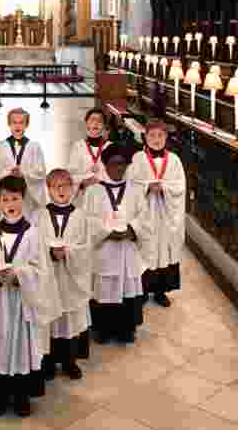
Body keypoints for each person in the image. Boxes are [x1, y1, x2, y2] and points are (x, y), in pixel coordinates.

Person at [0, 175, 60, 418]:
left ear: (24, 200)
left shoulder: (33, 234)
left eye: (15, 198)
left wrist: (20, 275)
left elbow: (42, 270)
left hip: (23, 305)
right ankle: (0, 394)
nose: (10, 203)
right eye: (5, 199)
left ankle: (21, 395)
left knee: (21, 348)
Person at [87, 144, 149, 344]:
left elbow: (144, 217)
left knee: (126, 290)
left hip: (127, 249)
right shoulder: (94, 191)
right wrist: (106, 232)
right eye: (113, 164)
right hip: (105, 250)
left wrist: (132, 229)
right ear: (105, 165)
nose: (118, 168)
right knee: (104, 289)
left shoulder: (135, 190)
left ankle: (126, 329)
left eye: (123, 163)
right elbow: (87, 220)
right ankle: (103, 330)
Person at [37, 169, 91, 380]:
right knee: (50, 318)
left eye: (66, 185)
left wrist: (68, 252)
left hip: (70, 278)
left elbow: (85, 247)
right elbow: (33, 244)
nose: (61, 190)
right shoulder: (40, 215)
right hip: (48, 277)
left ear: (73, 188)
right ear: (48, 190)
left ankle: (69, 360)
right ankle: (48, 362)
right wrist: (49, 252)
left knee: (68, 320)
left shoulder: (80, 216)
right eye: (56, 186)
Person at [127, 120, 186, 307]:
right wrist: (146, 186)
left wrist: (165, 188)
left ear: (166, 137)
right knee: (145, 249)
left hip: (166, 214)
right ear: (144, 137)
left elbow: (180, 186)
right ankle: (143, 290)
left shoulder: (174, 160)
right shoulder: (138, 158)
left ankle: (160, 292)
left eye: (160, 135)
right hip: (146, 213)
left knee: (164, 251)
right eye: (152, 135)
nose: (156, 139)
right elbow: (131, 183)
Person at [0, 108, 47, 216]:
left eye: (21, 122)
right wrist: (9, 173)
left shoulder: (35, 147)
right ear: (9, 124)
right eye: (14, 122)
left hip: (27, 198)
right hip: (6, 194)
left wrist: (24, 173)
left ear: (26, 124)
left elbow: (41, 172)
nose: (17, 126)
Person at [66, 108, 112, 207]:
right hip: (84, 193)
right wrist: (84, 181)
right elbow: (71, 174)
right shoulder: (78, 146)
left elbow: (115, 174)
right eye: (92, 120)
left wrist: (98, 179)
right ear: (86, 124)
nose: (95, 124)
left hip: (104, 195)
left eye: (99, 121)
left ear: (104, 126)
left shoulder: (110, 147)